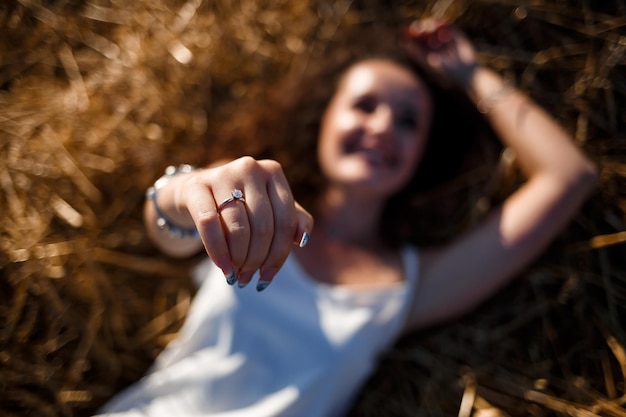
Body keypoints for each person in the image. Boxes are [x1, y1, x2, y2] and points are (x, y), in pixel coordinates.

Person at [96, 19, 597, 417]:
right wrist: (186, 189)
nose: (381, 127)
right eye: (364, 105)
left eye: (407, 121)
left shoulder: (409, 287)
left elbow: (568, 176)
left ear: (423, 154)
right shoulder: (252, 210)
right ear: (324, 118)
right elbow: (171, 228)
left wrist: (470, 75)